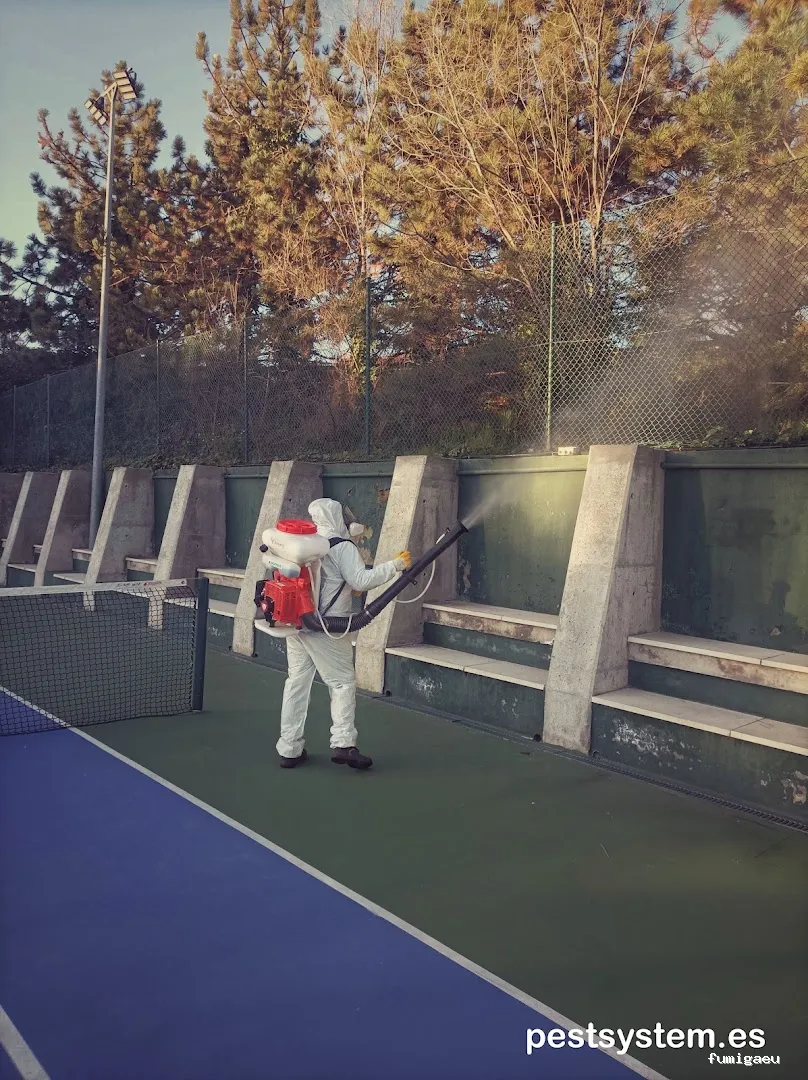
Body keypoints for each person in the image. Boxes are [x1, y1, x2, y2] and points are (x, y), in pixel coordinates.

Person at [277, 498, 410, 771]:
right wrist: (396, 565)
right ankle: (344, 743)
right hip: (328, 628)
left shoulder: (305, 545)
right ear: (337, 517)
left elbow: (335, 581)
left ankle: (289, 748)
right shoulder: (342, 546)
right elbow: (361, 580)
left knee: (297, 684)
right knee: (342, 683)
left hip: (298, 624)